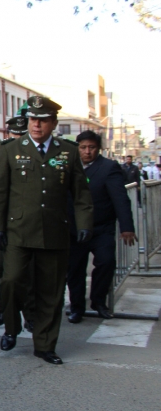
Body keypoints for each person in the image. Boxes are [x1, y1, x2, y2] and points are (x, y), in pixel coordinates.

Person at [0, 96, 93, 365]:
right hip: (18, 231)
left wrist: (84, 224)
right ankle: (12, 328)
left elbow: (81, 194)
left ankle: (45, 344)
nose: (37, 125)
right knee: (11, 281)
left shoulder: (68, 151)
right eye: (33, 120)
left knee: (51, 291)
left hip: (54, 232)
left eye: (43, 121)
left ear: (53, 123)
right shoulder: (10, 150)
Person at [67, 131, 135, 322]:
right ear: (77, 148)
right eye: (83, 147)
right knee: (75, 270)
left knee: (106, 263)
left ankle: (98, 300)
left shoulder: (109, 168)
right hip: (75, 229)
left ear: (99, 148)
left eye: (92, 147)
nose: (87, 151)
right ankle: (76, 307)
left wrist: (126, 227)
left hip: (101, 228)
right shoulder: (68, 167)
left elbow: (120, 198)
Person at [0, 115, 36, 329]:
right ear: (8, 135)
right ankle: (5, 307)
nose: (18, 139)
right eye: (15, 134)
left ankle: (30, 314)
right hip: (1, 225)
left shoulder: (35, 157)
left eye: (23, 135)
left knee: (28, 272)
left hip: (26, 224)